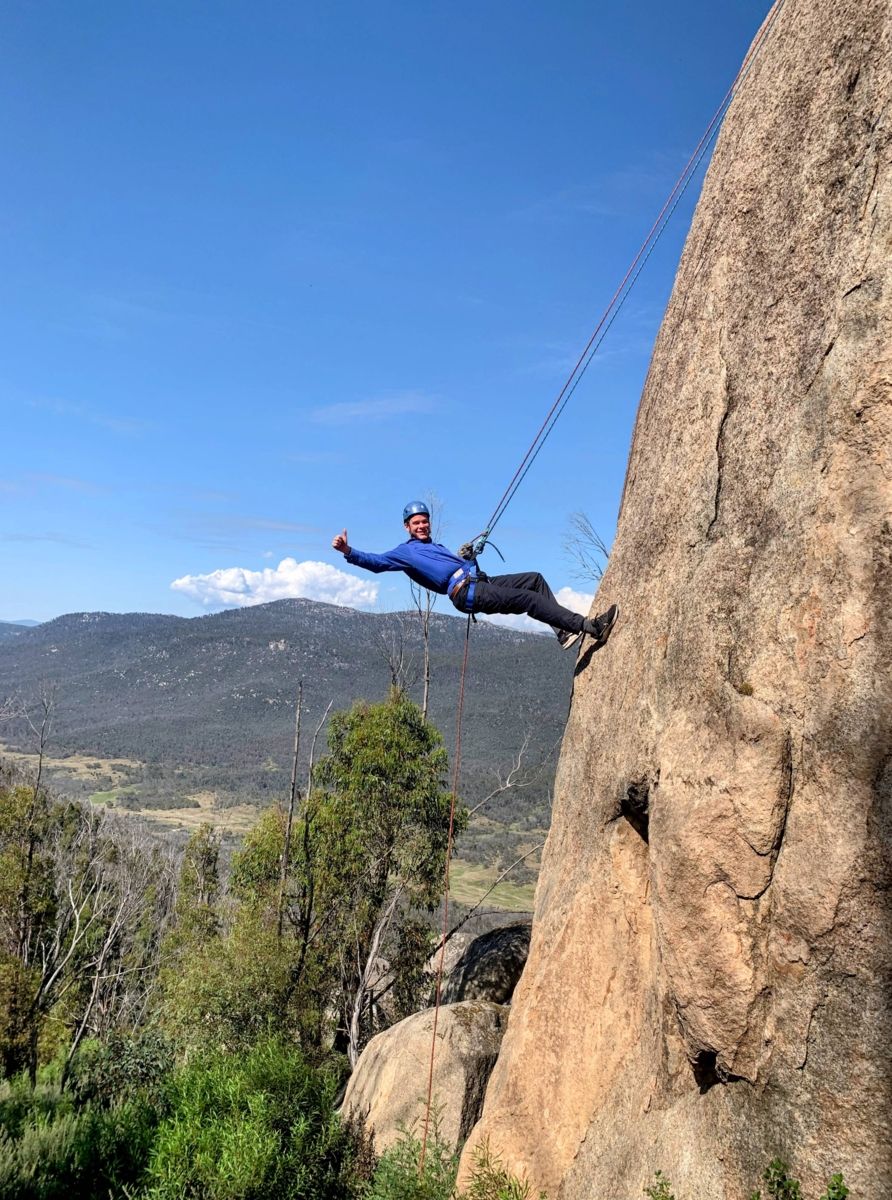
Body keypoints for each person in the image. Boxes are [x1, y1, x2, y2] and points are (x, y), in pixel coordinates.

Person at [331, 500, 618, 651]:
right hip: (466, 592)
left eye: (425, 521)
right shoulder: (405, 553)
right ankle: (590, 627)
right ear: (407, 526)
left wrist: (467, 556)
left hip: (479, 581)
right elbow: (377, 563)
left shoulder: (436, 548)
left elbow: (456, 567)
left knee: (534, 579)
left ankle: (563, 631)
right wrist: (348, 551)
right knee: (528, 600)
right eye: (416, 523)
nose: (422, 526)